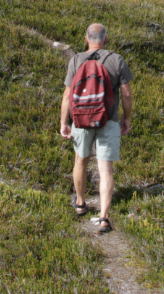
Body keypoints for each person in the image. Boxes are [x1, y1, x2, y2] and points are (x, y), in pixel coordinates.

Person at [59, 23, 132, 233]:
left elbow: (67, 95)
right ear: (105, 39)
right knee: (105, 168)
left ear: (86, 39)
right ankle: (103, 218)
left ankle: (80, 204)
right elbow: (126, 94)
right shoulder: (116, 60)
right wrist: (126, 118)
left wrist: (65, 122)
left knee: (81, 160)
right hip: (108, 120)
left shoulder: (76, 60)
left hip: (81, 120)